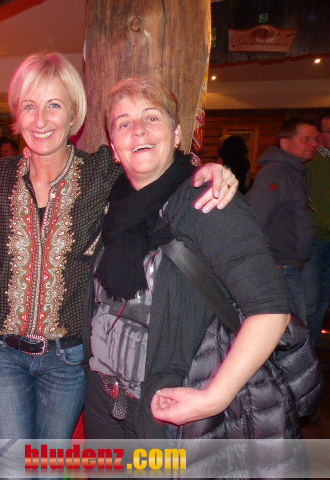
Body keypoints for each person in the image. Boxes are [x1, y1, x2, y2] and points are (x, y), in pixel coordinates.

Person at [0, 53, 238, 444]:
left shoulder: (101, 172)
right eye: (29, 106)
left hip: (67, 359)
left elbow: (158, 168)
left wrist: (208, 169)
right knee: (12, 467)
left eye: (54, 105)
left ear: (74, 115)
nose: (40, 120)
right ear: (17, 115)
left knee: (48, 466)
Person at [85, 77, 291, 440]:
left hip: (168, 409)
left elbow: (271, 308)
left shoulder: (207, 202)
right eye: (124, 123)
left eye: (152, 118)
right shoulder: (112, 203)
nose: (138, 130)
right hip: (103, 401)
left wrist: (213, 398)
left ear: (177, 133)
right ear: (114, 148)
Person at [246, 118, 318, 322]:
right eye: (305, 139)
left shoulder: (294, 173)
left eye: (315, 140)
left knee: (293, 328)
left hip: (290, 264)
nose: (313, 144)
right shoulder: (277, 172)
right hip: (280, 267)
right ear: (285, 143)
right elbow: (254, 216)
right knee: (292, 331)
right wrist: (265, 260)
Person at [303, 112, 330, 348]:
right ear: (320, 135)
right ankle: (303, 354)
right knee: (309, 302)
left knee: (323, 300)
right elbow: (306, 206)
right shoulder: (309, 162)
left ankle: (312, 350)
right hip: (315, 240)